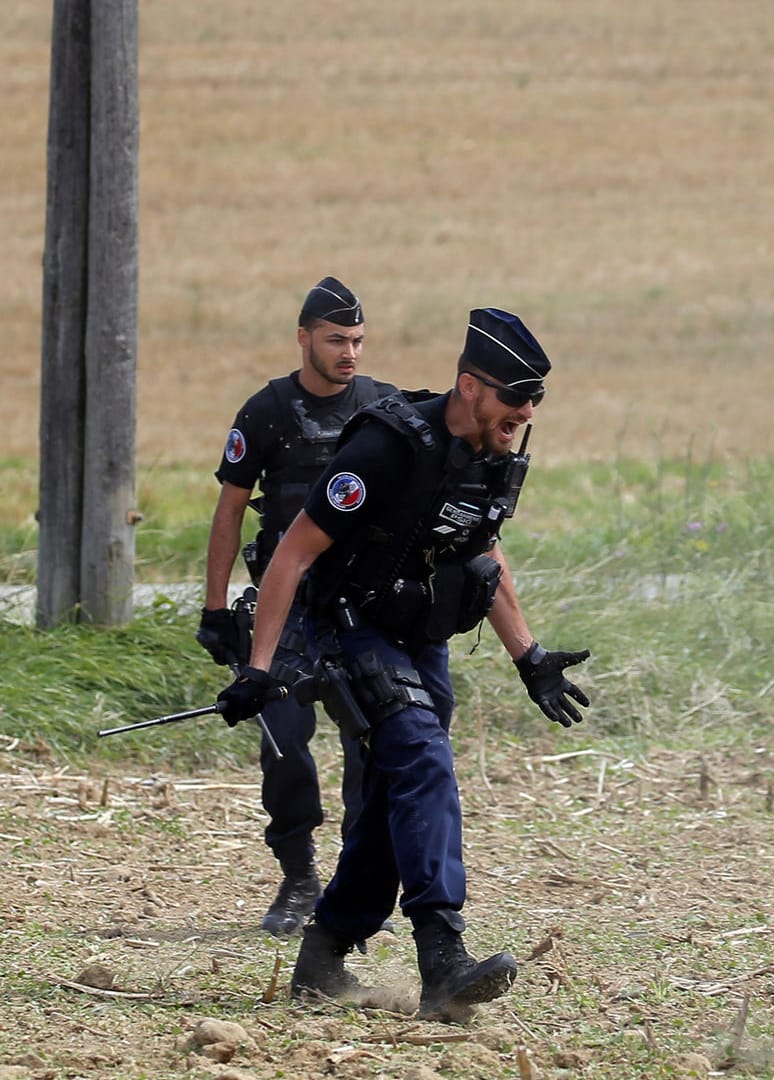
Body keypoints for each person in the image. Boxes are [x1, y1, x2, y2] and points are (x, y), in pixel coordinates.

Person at [216, 307, 593, 1021]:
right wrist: (259, 669)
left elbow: (483, 554)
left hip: (418, 634)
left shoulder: (492, 450)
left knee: (397, 798)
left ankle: (324, 950)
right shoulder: (387, 447)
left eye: (532, 405)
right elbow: (294, 553)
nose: (524, 416)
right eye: (513, 401)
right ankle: (441, 955)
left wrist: (530, 656)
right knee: (422, 760)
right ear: (471, 387)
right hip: (344, 626)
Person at [197, 276, 396, 937]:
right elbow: (229, 512)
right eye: (337, 339)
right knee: (283, 744)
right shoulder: (267, 411)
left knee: (373, 750)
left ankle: (356, 888)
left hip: (360, 610)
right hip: (285, 611)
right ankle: (298, 878)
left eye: (359, 341)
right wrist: (216, 608)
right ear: (304, 337)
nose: (350, 353)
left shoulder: (384, 407)